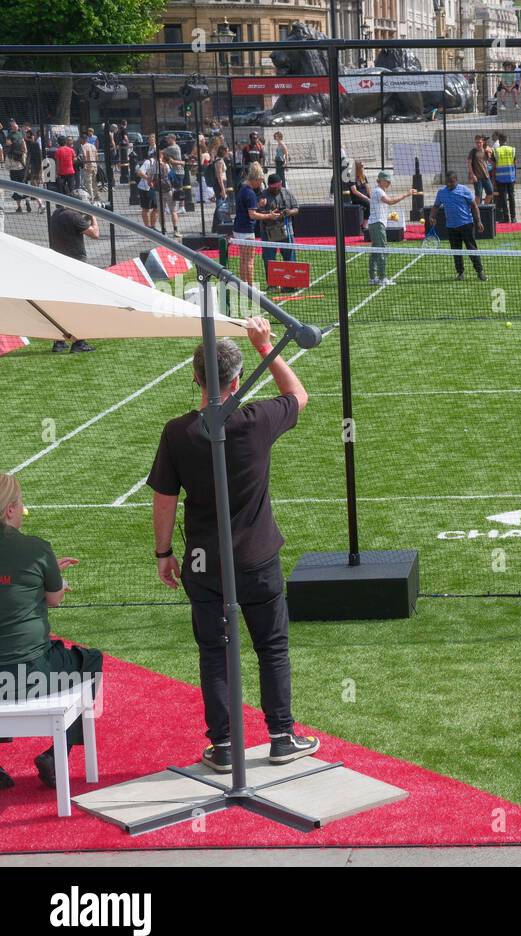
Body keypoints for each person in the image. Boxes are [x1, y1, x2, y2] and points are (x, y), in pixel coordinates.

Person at [148, 318, 319, 772]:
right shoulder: (256, 420)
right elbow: (298, 396)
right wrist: (265, 346)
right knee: (272, 646)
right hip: (257, 557)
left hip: (204, 564)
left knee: (215, 651)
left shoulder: (178, 432)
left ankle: (224, 746)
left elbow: (164, 500)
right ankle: (281, 735)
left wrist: (164, 553)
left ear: (196, 377)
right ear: (238, 380)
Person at [0, 473, 101, 792]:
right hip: (32, 676)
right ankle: (57, 753)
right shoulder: (35, 548)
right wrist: (48, 572)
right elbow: (54, 598)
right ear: (10, 511)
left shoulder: (35, 553)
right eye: (21, 505)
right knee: (90, 661)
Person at [47, 189, 100, 354]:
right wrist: (94, 216)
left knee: (61, 303)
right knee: (79, 303)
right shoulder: (75, 217)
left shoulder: (56, 214)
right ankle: (79, 342)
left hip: (58, 263)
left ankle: (59, 342)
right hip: (75, 263)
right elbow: (95, 234)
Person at [364, 170, 418, 286]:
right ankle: (382, 278)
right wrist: (407, 194)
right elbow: (391, 201)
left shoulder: (380, 191)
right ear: (381, 181)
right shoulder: (378, 191)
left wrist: (387, 217)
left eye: (389, 181)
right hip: (377, 225)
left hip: (377, 224)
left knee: (375, 250)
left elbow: (381, 207)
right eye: (387, 181)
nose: (389, 183)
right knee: (382, 250)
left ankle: (373, 278)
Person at [231, 164, 281, 288]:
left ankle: (243, 287)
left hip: (238, 228)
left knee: (243, 260)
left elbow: (249, 209)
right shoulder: (250, 193)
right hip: (246, 230)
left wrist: (258, 205)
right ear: (255, 179)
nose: (260, 184)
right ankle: (251, 288)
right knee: (249, 261)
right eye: (260, 181)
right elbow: (252, 215)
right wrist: (270, 215)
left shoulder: (242, 188)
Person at [434, 171, 486, 281]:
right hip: (451, 227)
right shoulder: (441, 192)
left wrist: (479, 221)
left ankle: (480, 271)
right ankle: (460, 273)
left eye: (451, 182)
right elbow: (436, 206)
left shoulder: (464, 190)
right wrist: (431, 216)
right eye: (447, 182)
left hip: (466, 225)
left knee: (472, 249)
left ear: (456, 180)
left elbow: (474, 206)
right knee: (456, 251)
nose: (449, 184)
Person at [259, 174, 299, 292]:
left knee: (290, 256)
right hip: (268, 232)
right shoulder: (262, 196)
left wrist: (289, 212)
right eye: (274, 187)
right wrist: (270, 214)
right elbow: (258, 212)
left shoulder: (287, 193)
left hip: (286, 230)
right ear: (270, 186)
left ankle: (290, 284)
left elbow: (296, 208)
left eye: (278, 186)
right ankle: (273, 284)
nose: (277, 189)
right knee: (269, 258)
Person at [492, 132, 517, 223]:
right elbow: (515, 164)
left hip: (500, 178)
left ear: (500, 140)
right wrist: (515, 176)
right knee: (511, 197)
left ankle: (506, 218)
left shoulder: (496, 151)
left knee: (503, 198)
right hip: (510, 177)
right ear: (506, 140)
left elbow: (494, 166)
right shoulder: (512, 150)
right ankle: (513, 217)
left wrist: (493, 179)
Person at [5, 125, 28, 212]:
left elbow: (7, 167)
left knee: (16, 189)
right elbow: (25, 153)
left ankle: (19, 207)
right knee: (25, 187)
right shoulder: (22, 153)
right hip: (22, 171)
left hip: (13, 172)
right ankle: (27, 202)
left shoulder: (9, 155)